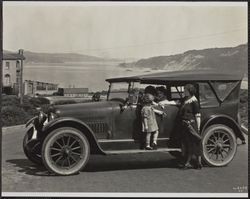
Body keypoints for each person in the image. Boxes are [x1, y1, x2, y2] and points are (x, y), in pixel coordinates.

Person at [178, 84, 202, 169]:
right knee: (186, 144)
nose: (184, 91)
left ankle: (189, 162)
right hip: (184, 125)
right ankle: (187, 161)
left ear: (190, 91)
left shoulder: (194, 101)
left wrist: (198, 128)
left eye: (185, 90)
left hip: (191, 125)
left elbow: (197, 115)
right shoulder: (185, 100)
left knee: (192, 144)